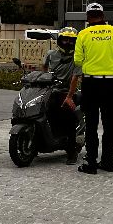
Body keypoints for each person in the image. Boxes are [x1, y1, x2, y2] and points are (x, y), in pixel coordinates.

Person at [65, 3, 113, 174]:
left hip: (91, 84)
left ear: (88, 17)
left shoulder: (83, 34)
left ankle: (91, 163)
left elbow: (78, 60)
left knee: (91, 124)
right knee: (109, 125)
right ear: (103, 15)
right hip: (110, 84)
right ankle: (108, 162)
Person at [42, 28, 81, 163]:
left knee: (66, 115)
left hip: (69, 92)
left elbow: (75, 78)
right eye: (65, 39)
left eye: (71, 40)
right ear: (59, 40)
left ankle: (72, 151)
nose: (68, 42)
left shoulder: (77, 57)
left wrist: (69, 96)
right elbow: (44, 70)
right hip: (52, 91)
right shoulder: (51, 54)